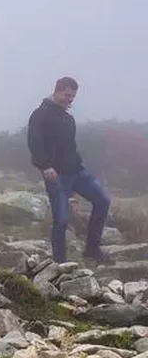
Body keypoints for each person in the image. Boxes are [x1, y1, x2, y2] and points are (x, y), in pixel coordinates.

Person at [27, 76, 110, 263]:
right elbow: (34, 142)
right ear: (56, 91)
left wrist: (78, 164)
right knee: (62, 220)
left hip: (77, 172)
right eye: (67, 95)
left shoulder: (67, 118)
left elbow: (70, 147)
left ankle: (92, 249)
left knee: (103, 201)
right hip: (56, 176)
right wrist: (44, 166)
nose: (70, 99)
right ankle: (59, 263)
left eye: (72, 96)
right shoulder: (40, 115)